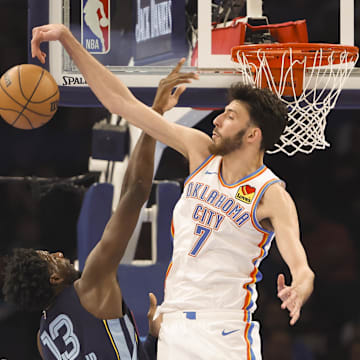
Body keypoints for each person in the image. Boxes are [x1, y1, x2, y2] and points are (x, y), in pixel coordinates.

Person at [31, 24, 315, 360]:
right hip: (172, 327)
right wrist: (67, 39)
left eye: (230, 116)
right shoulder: (200, 152)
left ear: (252, 135)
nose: (217, 120)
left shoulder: (271, 194)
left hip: (221, 332)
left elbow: (301, 264)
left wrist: (299, 288)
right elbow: (122, 103)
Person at [2, 63, 195, 359]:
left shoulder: (44, 341)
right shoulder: (91, 284)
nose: (59, 255)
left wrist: (153, 340)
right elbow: (139, 189)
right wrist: (154, 113)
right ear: (53, 278)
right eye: (51, 258)